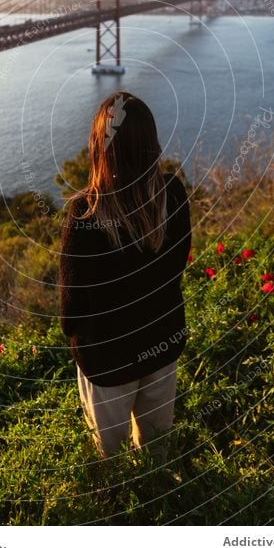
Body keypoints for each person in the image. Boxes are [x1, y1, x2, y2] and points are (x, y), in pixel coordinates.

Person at [58, 91, 192, 459]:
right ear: (152, 143)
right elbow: (177, 264)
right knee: (157, 451)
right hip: (162, 344)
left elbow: (72, 314)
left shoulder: (84, 215)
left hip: (108, 360)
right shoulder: (174, 193)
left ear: (100, 147)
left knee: (110, 458)